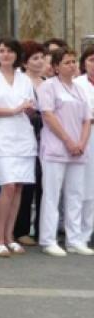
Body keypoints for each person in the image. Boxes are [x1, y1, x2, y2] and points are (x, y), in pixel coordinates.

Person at [0, 38, 38, 258]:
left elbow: (29, 107)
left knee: (19, 187)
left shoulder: (24, 78)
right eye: (1, 51)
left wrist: (27, 109)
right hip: (1, 138)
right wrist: (13, 110)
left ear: (17, 55)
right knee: (8, 185)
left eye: (10, 51)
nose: (6, 55)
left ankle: (10, 236)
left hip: (23, 136)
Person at [37, 48, 92, 256]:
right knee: (52, 194)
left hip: (78, 149)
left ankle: (74, 239)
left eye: (74, 62)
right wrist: (68, 141)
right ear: (56, 66)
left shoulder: (79, 89)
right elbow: (49, 116)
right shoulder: (48, 86)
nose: (72, 66)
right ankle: (48, 239)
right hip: (56, 148)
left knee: (75, 194)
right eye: (67, 62)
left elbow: (87, 119)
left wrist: (81, 142)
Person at [13, 41, 48, 246]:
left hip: (48, 138)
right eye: (35, 58)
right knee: (26, 185)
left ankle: (43, 229)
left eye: (42, 57)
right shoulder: (23, 81)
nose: (40, 61)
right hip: (27, 135)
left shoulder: (47, 81)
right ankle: (22, 229)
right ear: (25, 62)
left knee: (44, 185)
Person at [74, 46, 94, 249]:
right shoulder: (78, 84)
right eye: (91, 60)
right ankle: (82, 234)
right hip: (87, 136)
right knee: (87, 189)